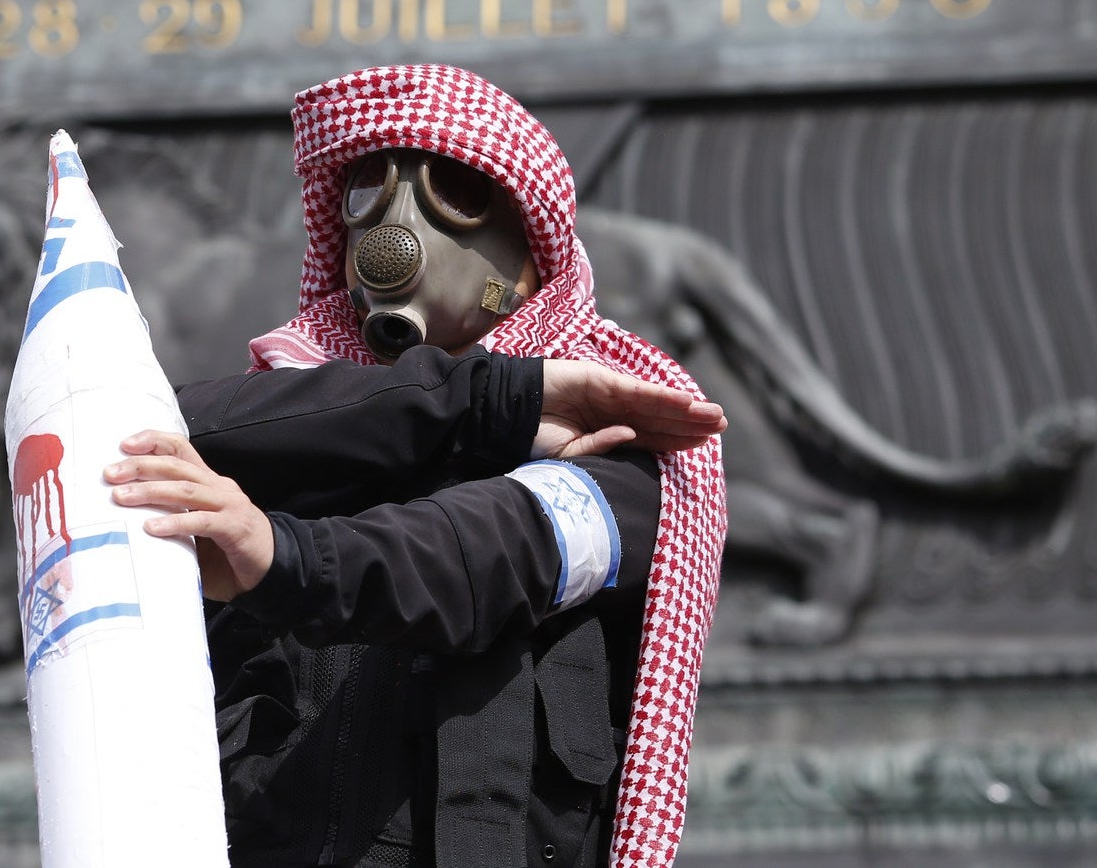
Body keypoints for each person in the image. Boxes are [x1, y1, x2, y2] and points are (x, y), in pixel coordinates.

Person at [104, 64, 729, 868]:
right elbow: (145, 427)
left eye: (453, 193)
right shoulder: (298, 413)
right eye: (369, 189)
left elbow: (480, 551)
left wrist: (282, 555)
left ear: (529, 251)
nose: (398, 228)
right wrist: (475, 400)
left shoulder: (619, 443)